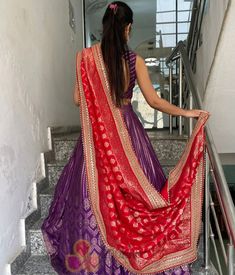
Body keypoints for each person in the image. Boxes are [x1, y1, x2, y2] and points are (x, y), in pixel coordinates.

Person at [41, 1, 209, 274]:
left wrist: (99, 102)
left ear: (104, 26)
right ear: (127, 28)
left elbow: (76, 99)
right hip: (128, 134)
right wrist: (187, 112)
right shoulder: (134, 61)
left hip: (97, 137)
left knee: (91, 193)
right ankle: (138, 249)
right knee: (138, 191)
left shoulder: (85, 58)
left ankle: (92, 258)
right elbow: (154, 101)